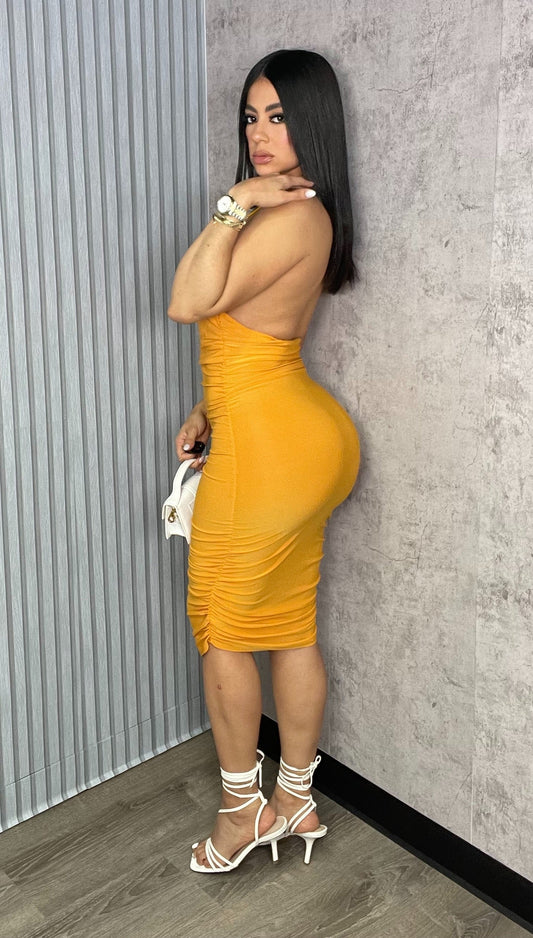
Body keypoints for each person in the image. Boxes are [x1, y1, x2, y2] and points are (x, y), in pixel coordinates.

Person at [167, 49, 360, 874]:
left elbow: (186, 301)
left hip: (272, 450)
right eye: (250, 116)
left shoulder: (280, 213)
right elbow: (249, 339)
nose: (258, 133)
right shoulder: (308, 215)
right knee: (286, 624)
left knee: (222, 629)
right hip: (291, 435)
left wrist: (233, 201)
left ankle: (243, 812)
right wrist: (208, 407)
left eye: (277, 116)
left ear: (311, 122)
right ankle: (297, 799)